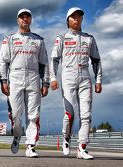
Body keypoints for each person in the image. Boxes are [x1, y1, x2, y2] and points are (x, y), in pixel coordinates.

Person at [50, 7, 102, 160]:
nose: (76, 19)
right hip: (68, 76)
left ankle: (82, 147)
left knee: (86, 115)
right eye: (73, 16)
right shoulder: (62, 38)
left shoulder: (89, 38)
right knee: (70, 113)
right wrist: (53, 78)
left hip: (85, 76)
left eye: (79, 16)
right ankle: (66, 138)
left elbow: (96, 60)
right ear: (68, 20)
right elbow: (54, 60)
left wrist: (98, 80)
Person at [0, 8, 50, 158]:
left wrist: (45, 82)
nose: (25, 19)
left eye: (28, 17)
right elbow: (3, 62)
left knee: (33, 115)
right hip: (15, 76)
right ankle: (17, 135)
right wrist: (4, 80)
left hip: (34, 77)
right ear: (18, 20)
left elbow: (44, 63)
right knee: (16, 114)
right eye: (22, 17)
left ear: (31, 20)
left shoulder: (38, 40)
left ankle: (31, 146)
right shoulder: (9, 39)